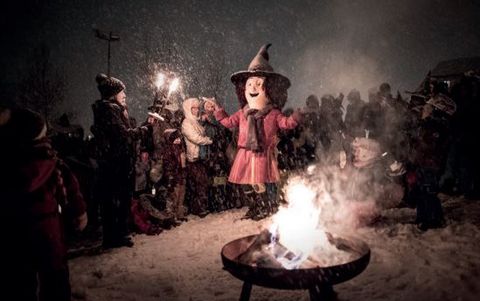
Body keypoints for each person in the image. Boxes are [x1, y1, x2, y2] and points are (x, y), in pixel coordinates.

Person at [0, 107, 87, 301]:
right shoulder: (51, 160)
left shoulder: (6, 166)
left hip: (15, 232)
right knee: (55, 277)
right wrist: (79, 213)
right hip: (49, 231)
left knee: (20, 280)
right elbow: (71, 189)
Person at [209, 44, 302, 220]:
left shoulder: (273, 113)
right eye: (249, 84)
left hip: (261, 153)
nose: (253, 88)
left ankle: (264, 206)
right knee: (246, 185)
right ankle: (254, 206)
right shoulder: (242, 113)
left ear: (270, 89)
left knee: (260, 184)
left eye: (258, 84)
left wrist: (297, 116)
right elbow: (228, 123)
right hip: (244, 153)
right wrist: (218, 110)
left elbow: (286, 123)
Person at [91, 73, 152, 248]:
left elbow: (125, 133)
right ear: (112, 94)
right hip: (115, 164)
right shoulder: (109, 110)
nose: (124, 95)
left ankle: (119, 233)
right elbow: (123, 135)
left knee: (120, 200)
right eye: (121, 92)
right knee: (115, 200)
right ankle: (114, 236)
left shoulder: (113, 109)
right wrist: (144, 130)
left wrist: (144, 127)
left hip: (119, 163)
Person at [181, 97, 212, 217]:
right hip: (193, 157)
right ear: (189, 109)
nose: (196, 110)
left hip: (200, 157)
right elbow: (194, 137)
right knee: (198, 183)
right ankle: (197, 208)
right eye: (193, 108)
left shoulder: (196, 121)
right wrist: (208, 140)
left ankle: (201, 206)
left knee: (202, 182)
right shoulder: (186, 122)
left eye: (197, 108)